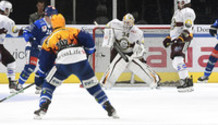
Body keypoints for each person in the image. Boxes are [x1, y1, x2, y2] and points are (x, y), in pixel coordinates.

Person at [33, 14, 119, 119]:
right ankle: (109, 107)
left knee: (49, 85)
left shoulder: (49, 39)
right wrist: (88, 51)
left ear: (52, 25)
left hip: (63, 64)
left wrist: (41, 76)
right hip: (81, 61)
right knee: (93, 86)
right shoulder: (73, 30)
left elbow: (44, 61)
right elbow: (89, 41)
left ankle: (43, 106)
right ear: (64, 23)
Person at [100, 13, 160, 89]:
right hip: (117, 51)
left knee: (141, 68)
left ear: (133, 22)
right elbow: (108, 26)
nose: (127, 24)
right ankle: (105, 83)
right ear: (122, 21)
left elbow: (141, 46)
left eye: (129, 22)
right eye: (126, 22)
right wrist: (109, 36)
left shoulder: (138, 32)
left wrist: (137, 55)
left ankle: (154, 81)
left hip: (130, 54)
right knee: (114, 68)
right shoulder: (115, 23)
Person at [14, 6, 58, 93]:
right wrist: (32, 40)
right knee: (30, 67)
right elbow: (26, 31)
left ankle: (39, 84)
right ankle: (19, 84)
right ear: (48, 16)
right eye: (54, 16)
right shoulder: (39, 23)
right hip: (33, 48)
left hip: (44, 51)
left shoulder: (54, 27)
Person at [162, 0, 195, 92]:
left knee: (178, 60)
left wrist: (181, 38)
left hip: (182, 40)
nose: (178, 3)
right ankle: (186, 79)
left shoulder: (188, 11)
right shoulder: (178, 12)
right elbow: (175, 27)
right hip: (176, 40)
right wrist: (170, 37)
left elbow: (188, 27)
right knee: (175, 62)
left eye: (179, 2)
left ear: (184, 2)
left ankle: (186, 82)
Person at [0, 0, 23, 93]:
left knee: (10, 61)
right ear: (5, 9)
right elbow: (16, 33)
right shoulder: (7, 20)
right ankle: (12, 83)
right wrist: (28, 30)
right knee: (11, 62)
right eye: (8, 9)